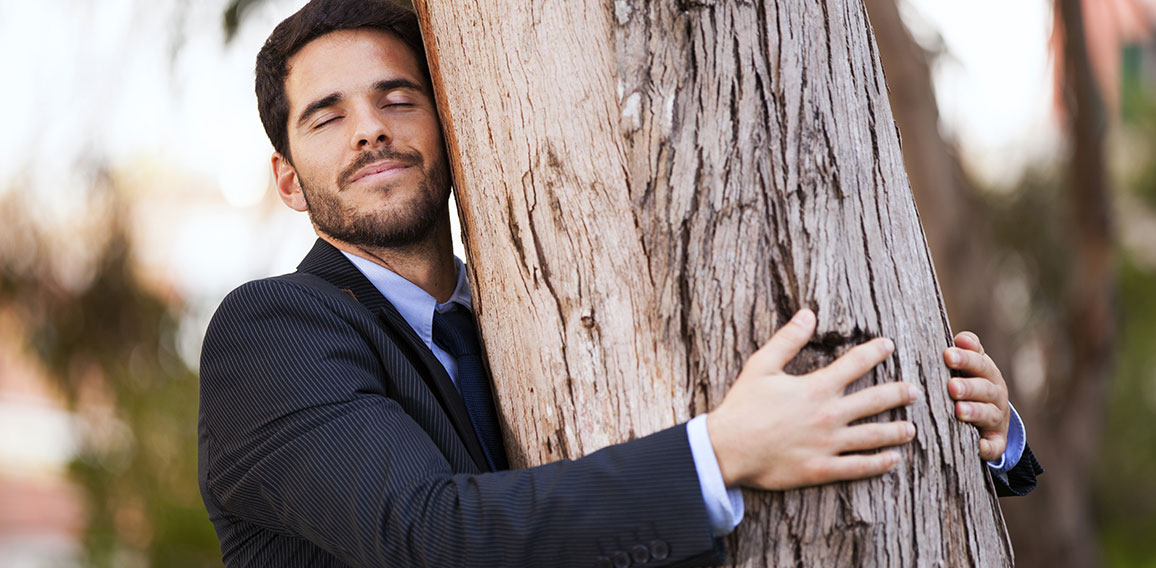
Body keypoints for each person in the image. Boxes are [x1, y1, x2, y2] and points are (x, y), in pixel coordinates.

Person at [197, 1, 1041, 566]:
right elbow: (426, 532)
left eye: (397, 98)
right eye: (328, 114)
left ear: (451, 125)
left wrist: (982, 433)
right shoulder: (271, 332)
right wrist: (725, 452)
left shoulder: (530, 317)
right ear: (287, 179)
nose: (371, 130)